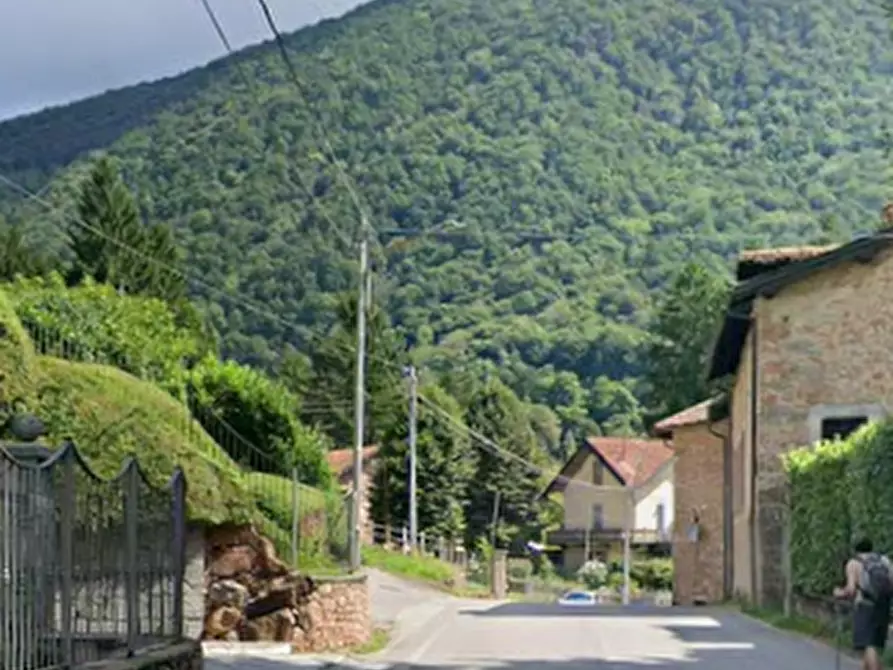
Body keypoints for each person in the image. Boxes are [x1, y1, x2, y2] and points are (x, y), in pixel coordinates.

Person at [834, 537, 893, 670]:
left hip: (865, 606)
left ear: (855, 549)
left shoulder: (853, 563)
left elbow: (851, 590)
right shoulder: (884, 560)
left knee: (868, 646)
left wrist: (838, 593)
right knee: (875, 644)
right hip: (884, 606)